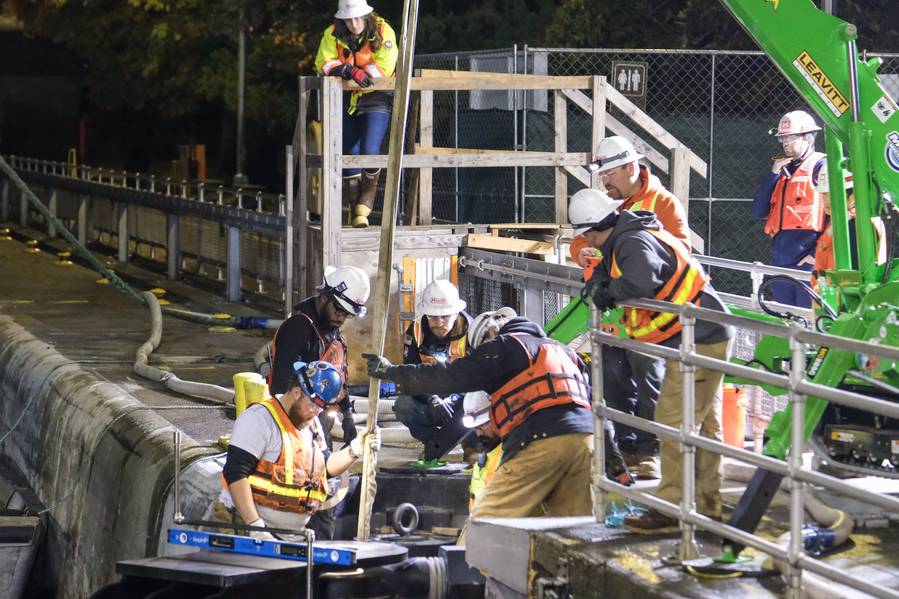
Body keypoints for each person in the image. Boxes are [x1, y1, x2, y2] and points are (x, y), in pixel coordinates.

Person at [365, 308, 630, 543]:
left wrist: (393, 372)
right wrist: (616, 465)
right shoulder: (564, 353)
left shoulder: (504, 346)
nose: (480, 355)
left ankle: (463, 583)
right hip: (586, 445)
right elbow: (596, 407)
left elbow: (449, 376)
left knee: (484, 532)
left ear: (491, 333)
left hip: (540, 442)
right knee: (571, 540)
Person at [573, 191, 733, 533]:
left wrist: (609, 290)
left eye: (587, 234)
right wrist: (602, 279)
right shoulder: (630, 235)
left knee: (672, 421)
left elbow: (641, 282)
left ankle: (673, 510)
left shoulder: (632, 242)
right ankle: (708, 508)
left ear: (593, 229)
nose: (588, 241)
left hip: (700, 338)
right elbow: (615, 270)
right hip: (706, 332)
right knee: (704, 428)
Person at [569, 173, 685, 478]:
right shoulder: (609, 221)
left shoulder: (657, 209)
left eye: (611, 171)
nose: (606, 178)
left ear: (631, 167)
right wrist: (595, 278)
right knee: (612, 378)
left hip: (654, 320)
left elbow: (649, 275)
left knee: (649, 378)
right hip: (620, 317)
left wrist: (609, 290)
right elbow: (588, 252)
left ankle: (652, 450)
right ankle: (627, 448)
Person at [213, 361, 380, 540]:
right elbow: (235, 474)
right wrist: (256, 527)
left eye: (321, 408)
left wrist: (355, 449)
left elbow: (325, 468)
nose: (316, 413)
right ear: (296, 393)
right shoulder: (259, 419)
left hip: (290, 535)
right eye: (313, 405)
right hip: (245, 528)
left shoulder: (312, 425)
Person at [267, 264, 370, 539]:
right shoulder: (299, 330)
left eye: (347, 314)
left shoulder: (330, 330)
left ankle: (320, 550)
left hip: (317, 423)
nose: (341, 318)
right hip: (294, 426)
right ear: (325, 295)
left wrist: (348, 419)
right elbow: (282, 388)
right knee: (305, 491)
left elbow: (338, 380)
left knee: (323, 492)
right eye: (339, 310)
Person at [315, 0, 398, 228]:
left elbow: (384, 68)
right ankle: (357, 213)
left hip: (376, 96)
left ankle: (366, 201)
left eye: (357, 18)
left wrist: (358, 76)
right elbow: (322, 62)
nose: (353, 24)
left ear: (366, 15)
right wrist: (347, 70)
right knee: (348, 152)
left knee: (370, 150)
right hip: (346, 96)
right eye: (349, 19)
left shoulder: (383, 31)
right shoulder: (331, 34)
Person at [752, 110, 827, 307]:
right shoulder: (782, 171)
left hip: (808, 261)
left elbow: (837, 216)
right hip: (781, 259)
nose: (785, 142)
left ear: (809, 138)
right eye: (783, 138)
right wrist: (772, 176)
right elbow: (758, 211)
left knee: (809, 319)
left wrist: (816, 254)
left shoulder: (821, 166)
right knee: (786, 319)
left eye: (791, 137)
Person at [394, 280, 473, 448]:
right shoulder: (416, 333)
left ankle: (471, 445)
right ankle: (434, 443)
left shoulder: (473, 332)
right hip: (431, 398)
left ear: (457, 313)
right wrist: (432, 398)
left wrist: (452, 399)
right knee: (403, 405)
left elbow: (478, 377)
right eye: (433, 317)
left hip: (463, 401)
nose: (438, 323)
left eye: (444, 317)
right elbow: (410, 375)